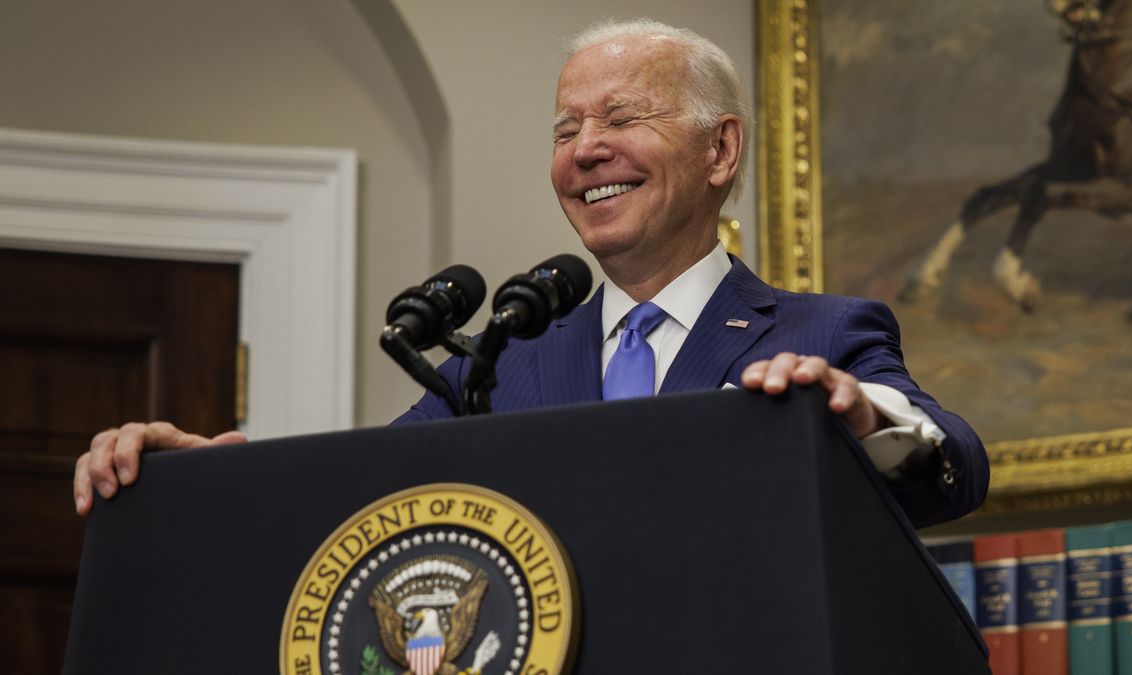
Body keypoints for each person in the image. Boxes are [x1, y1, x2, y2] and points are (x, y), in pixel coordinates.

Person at [74, 19, 988, 529]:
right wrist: (205, 478)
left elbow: (953, 468)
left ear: (721, 150)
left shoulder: (821, 337)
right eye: (564, 130)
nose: (587, 150)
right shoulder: (503, 360)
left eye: (620, 117)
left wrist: (861, 413)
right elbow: (363, 486)